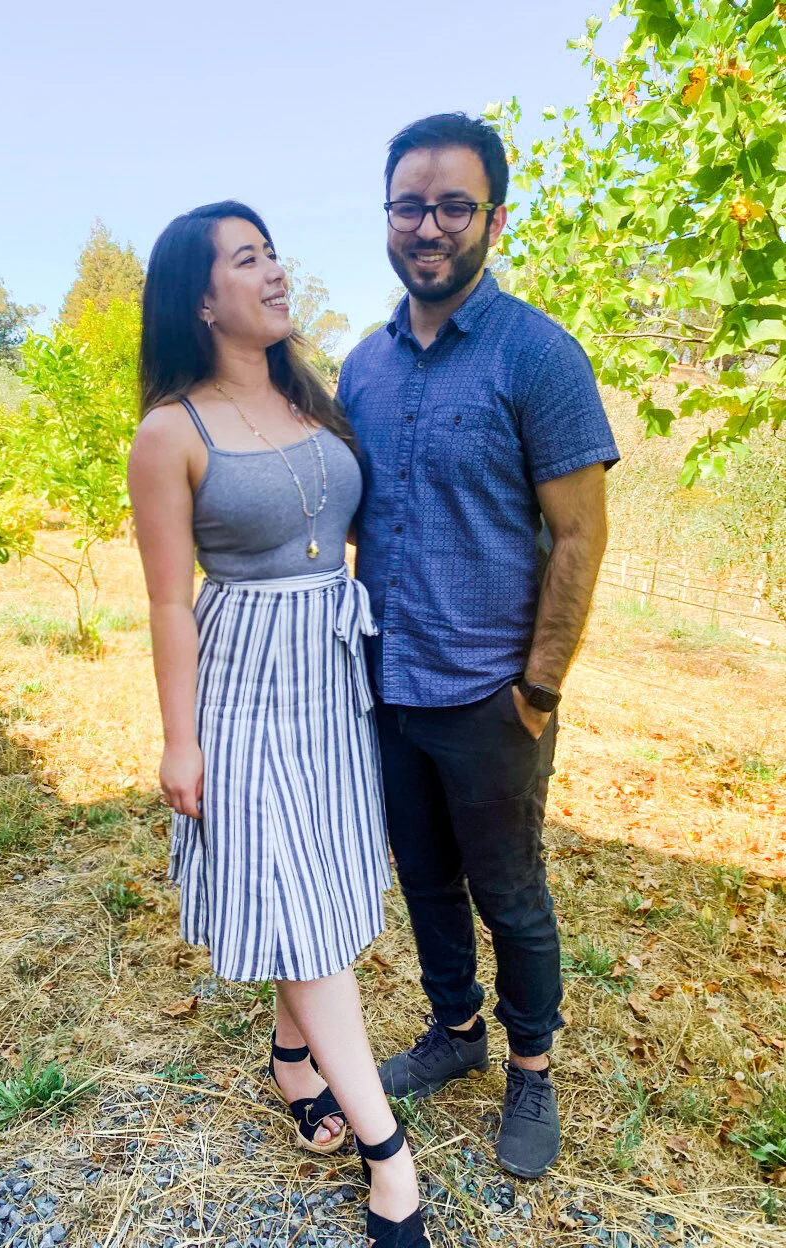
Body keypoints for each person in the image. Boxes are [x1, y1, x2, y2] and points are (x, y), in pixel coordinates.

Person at [128, 200, 430, 1246]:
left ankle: (294, 1060)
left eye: (273, 254)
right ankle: (388, 1154)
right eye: (248, 259)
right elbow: (169, 602)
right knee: (296, 897)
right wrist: (180, 739)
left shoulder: (314, 397)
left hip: (332, 675)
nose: (275, 272)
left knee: (328, 877)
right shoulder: (171, 431)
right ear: (201, 300)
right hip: (245, 679)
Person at [337, 113, 620, 1179]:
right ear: (387, 216)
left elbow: (581, 535)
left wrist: (538, 688)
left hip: (494, 695)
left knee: (510, 892)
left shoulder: (538, 356)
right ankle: (455, 1030)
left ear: (494, 219)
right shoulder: (361, 368)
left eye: (454, 205)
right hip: (390, 684)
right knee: (423, 876)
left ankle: (532, 1068)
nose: (430, 226)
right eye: (410, 205)